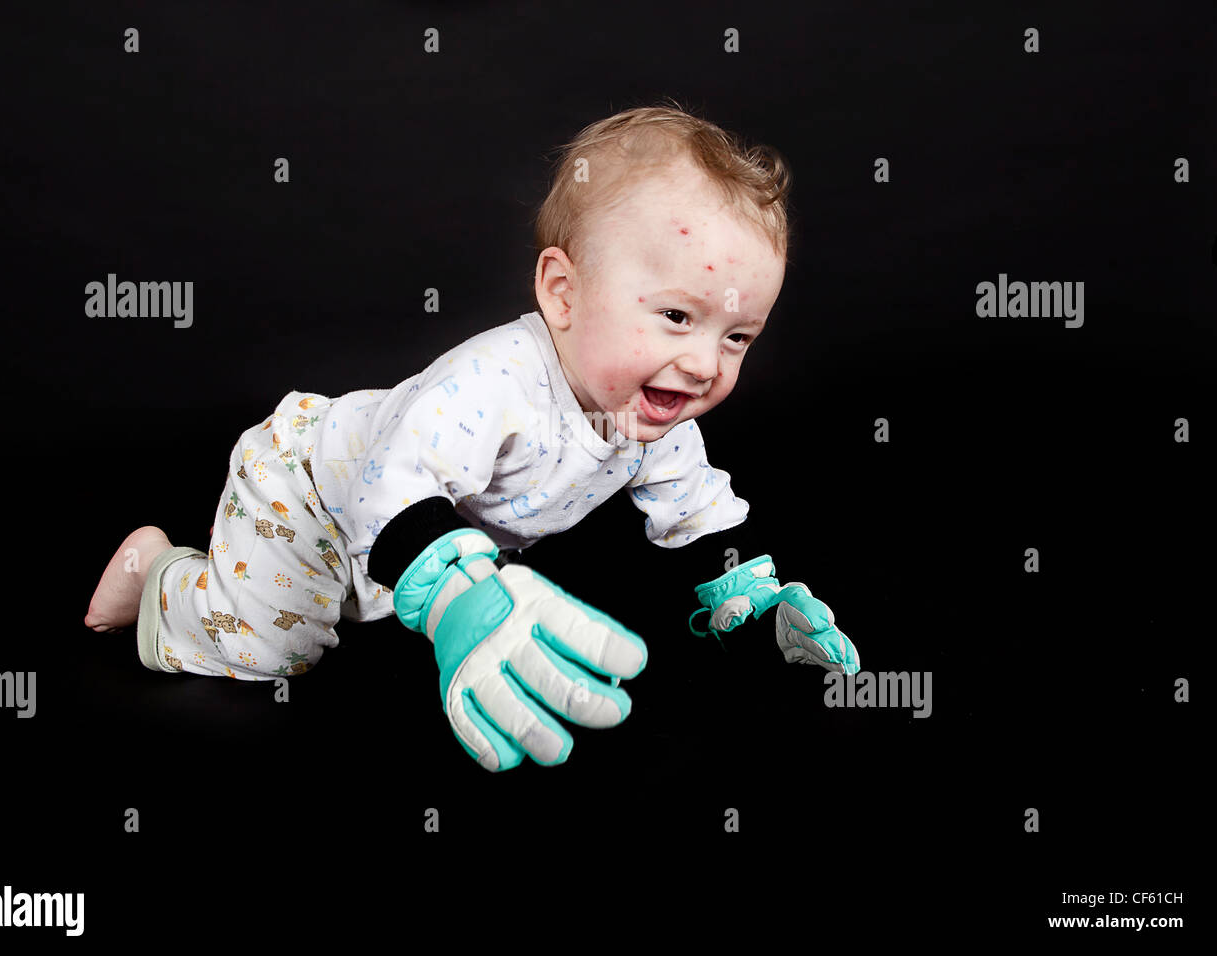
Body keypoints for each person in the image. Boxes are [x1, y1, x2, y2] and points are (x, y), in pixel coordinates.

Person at [84, 102, 860, 772]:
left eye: (738, 337)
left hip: (406, 531)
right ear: (563, 293)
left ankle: (342, 588)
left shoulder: (654, 420)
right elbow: (392, 484)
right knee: (273, 655)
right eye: (677, 317)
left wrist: (759, 606)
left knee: (367, 617)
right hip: (313, 491)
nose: (702, 365)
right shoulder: (497, 381)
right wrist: (458, 598)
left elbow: (695, 518)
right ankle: (159, 573)